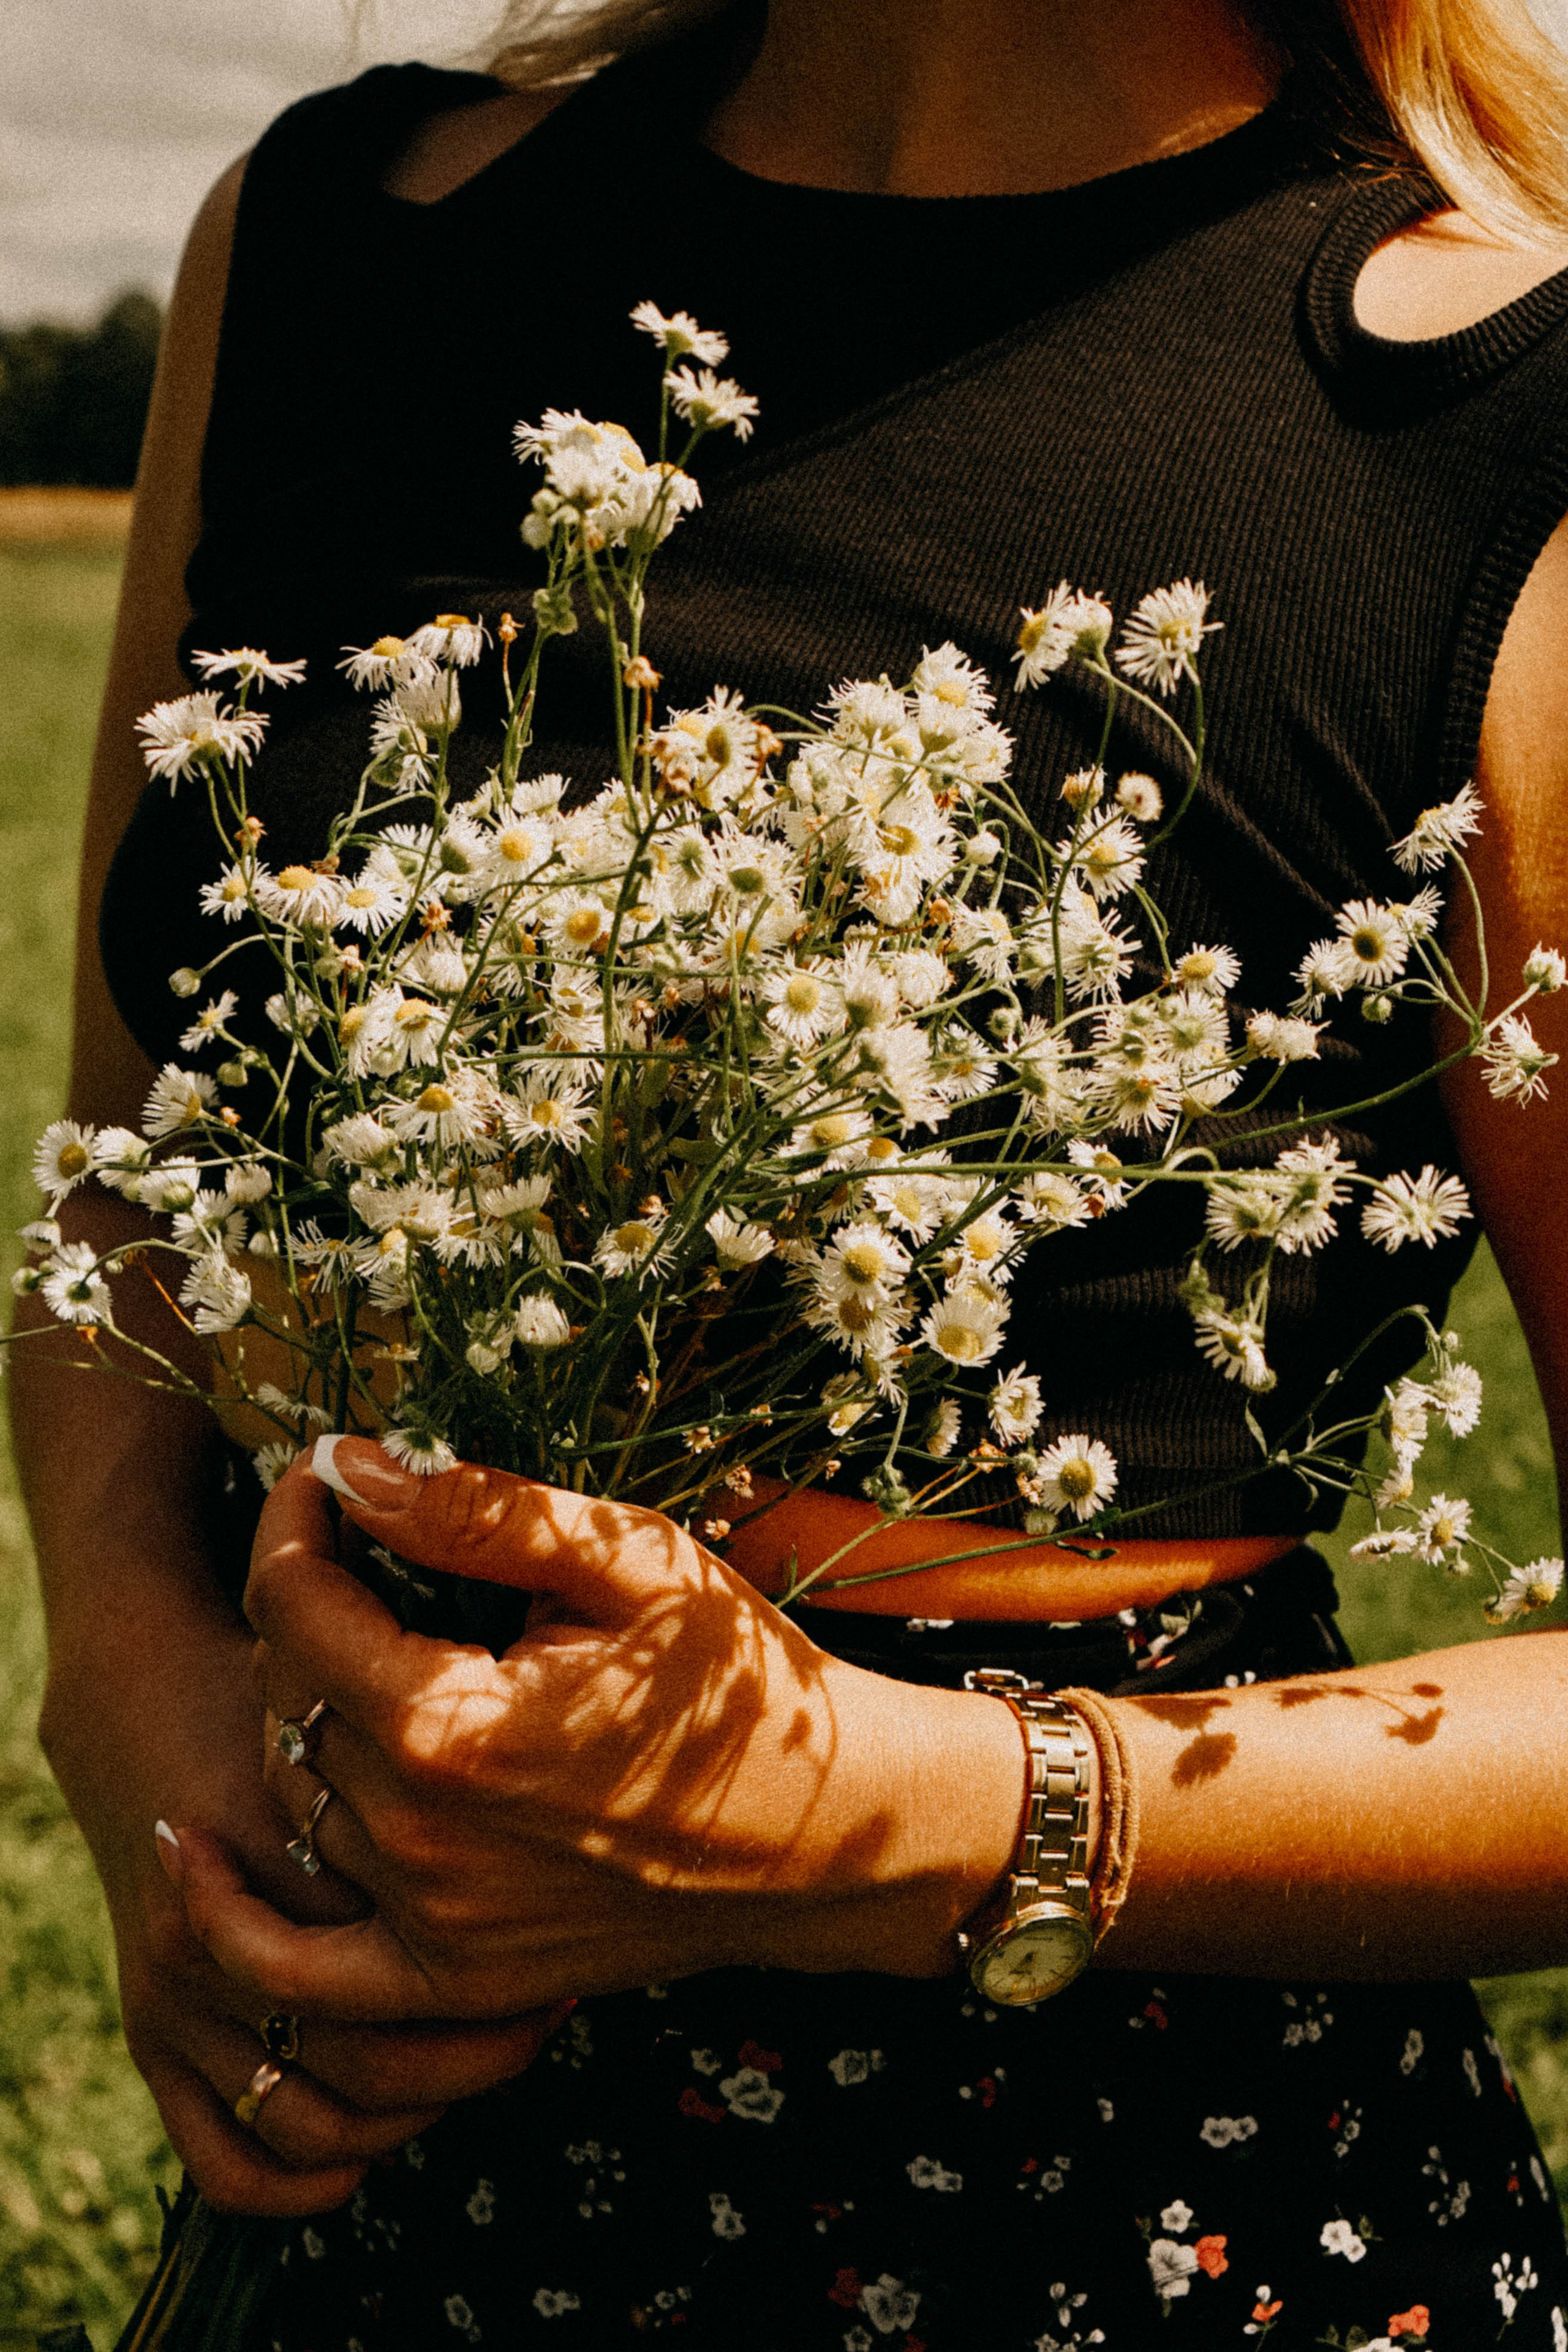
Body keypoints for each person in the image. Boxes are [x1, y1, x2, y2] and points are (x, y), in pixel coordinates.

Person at [16, 0, 1568, 2342]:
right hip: (381, 2200)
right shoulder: (342, 237)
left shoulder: (1489, 398)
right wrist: (131, 1675)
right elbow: (128, 1187)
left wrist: (892, 1813)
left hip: (1096, 2216)